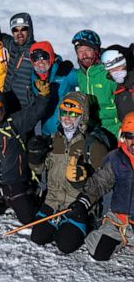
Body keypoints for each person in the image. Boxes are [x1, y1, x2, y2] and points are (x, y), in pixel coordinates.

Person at [29, 91, 108, 254]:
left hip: (77, 206)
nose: (67, 117)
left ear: (83, 116)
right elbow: (39, 170)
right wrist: (34, 158)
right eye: (64, 112)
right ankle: (59, 224)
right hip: (53, 202)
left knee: (65, 245)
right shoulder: (53, 140)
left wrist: (84, 193)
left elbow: (105, 181)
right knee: (37, 236)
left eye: (73, 114)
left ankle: (85, 224)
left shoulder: (93, 145)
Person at [0, 81, 50, 224]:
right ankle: (1, 202)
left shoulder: (16, 122)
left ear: (3, 107)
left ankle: (24, 197)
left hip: (16, 182)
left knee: (27, 218)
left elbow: (34, 113)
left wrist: (43, 97)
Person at [74, 111, 134, 261]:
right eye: (130, 137)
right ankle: (109, 232)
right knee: (98, 252)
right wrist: (82, 183)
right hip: (119, 220)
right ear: (122, 137)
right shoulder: (117, 159)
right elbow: (100, 183)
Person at [72, 29, 119, 144]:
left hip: (115, 130)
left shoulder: (109, 72)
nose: (84, 55)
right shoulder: (79, 75)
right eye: (79, 51)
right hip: (92, 131)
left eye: (88, 50)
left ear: (97, 50)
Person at [29, 41, 77, 136]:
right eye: (36, 58)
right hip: (46, 131)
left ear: (50, 57)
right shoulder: (34, 77)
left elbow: (86, 79)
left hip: (66, 130)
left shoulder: (64, 72)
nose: (40, 62)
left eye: (43, 57)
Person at [2, 12, 36, 112]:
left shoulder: (35, 50)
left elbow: (51, 56)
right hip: (8, 103)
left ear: (29, 30)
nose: (19, 33)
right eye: (15, 30)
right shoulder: (11, 45)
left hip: (25, 108)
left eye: (23, 29)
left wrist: (62, 63)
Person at [100, 45, 134, 121]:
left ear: (127, 64)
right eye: (111, 70)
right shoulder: (119, 88)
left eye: (118, 67)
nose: (115, 72)